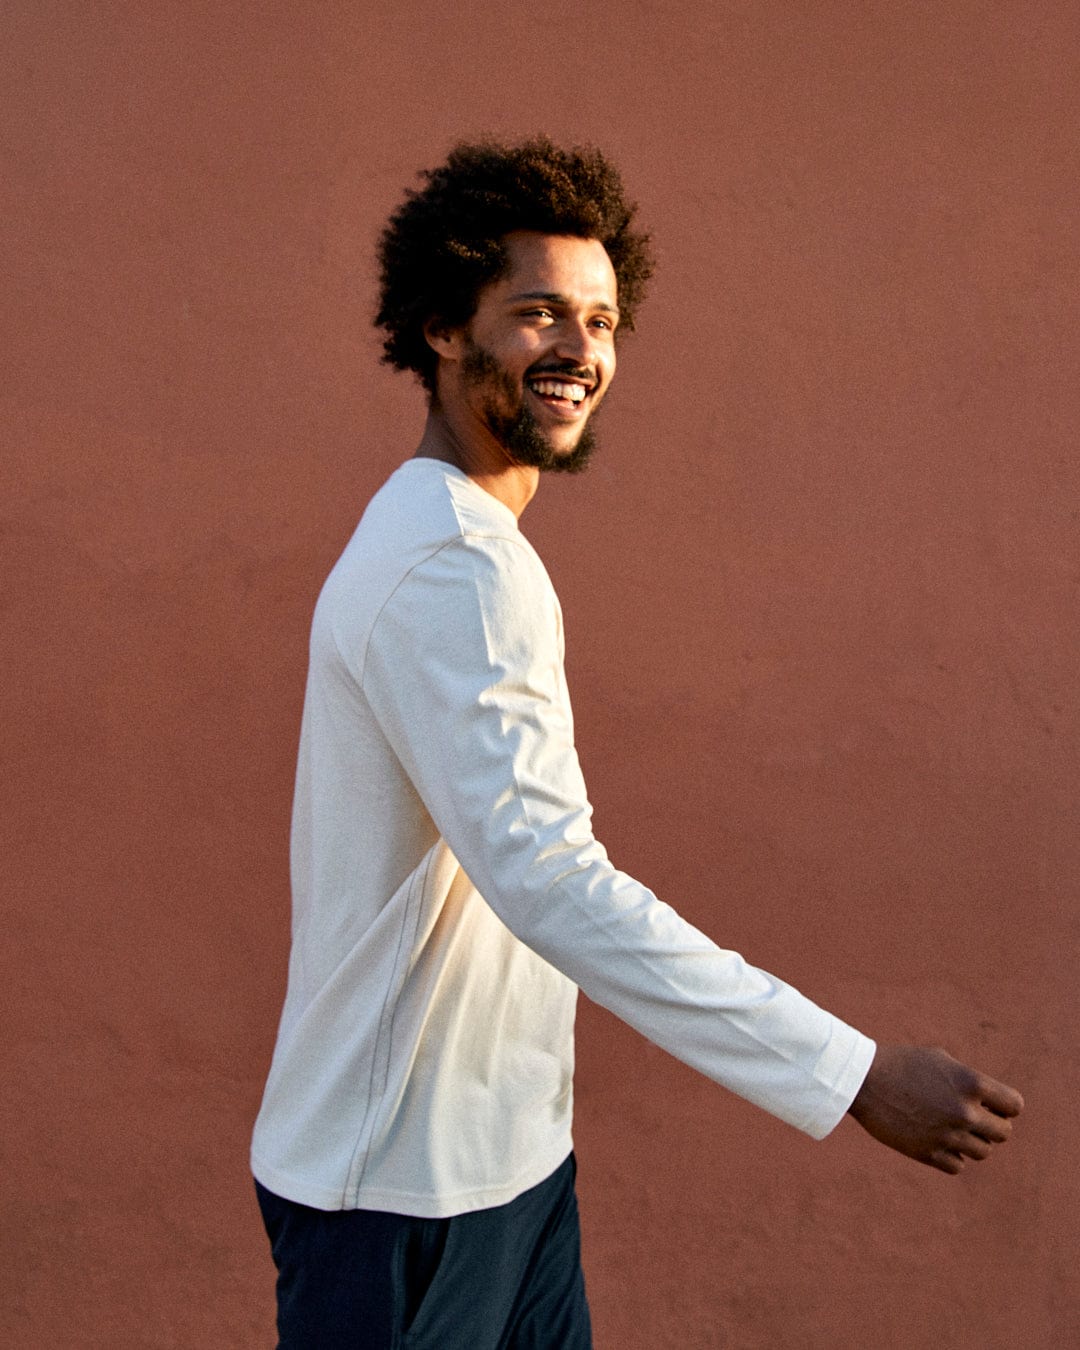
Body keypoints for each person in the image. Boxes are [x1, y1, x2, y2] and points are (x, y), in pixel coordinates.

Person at [251, 138, 1023, 1349]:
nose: (580, 351)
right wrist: (851, 1074)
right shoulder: (452, 563)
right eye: (539, 314)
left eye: (603, 320)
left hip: (506, 1166)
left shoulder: (451, 537)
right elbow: (551, 881)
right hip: (403, 1204)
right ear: (444, 328)